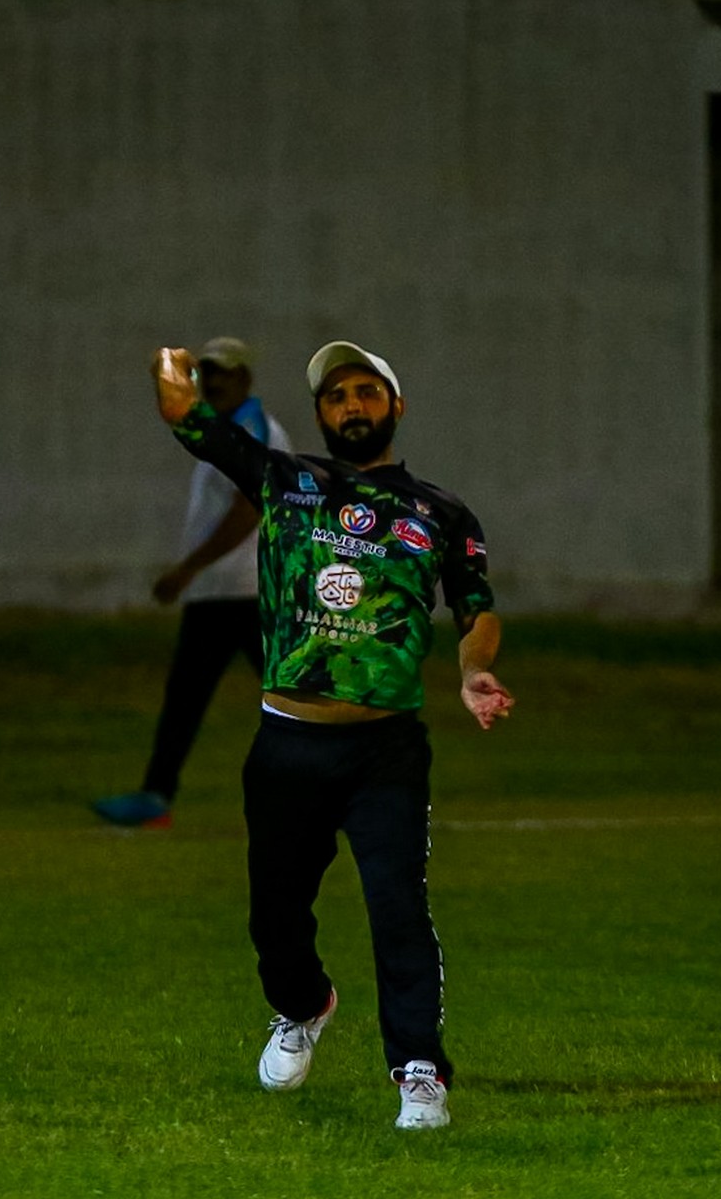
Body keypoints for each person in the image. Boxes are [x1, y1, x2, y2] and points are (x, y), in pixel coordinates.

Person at [150, 338, 514, 1131]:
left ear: (396, 406)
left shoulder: (441, 513)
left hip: (385, 750)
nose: (352, 405)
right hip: (288, 745)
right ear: (320, 413)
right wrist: (171, 369)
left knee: (398, 908)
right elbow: (190, 420)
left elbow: (476, 607)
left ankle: (420, 1071)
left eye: (366, 391)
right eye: (337, 395)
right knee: (274, 916)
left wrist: (473, 670)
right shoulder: (285, 480)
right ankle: (303, 1005)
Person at [94, 337, 292, 829]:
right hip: (223, 591)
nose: (215, 381)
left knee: (289, 699)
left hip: (249, 590)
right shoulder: (222, 432)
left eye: (224, 372)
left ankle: (349, 787)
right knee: (191, 697)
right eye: (208, 372)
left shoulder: (255, 432)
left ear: (244, 378)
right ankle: (155, 795)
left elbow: (248, 510)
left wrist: (188, 568)